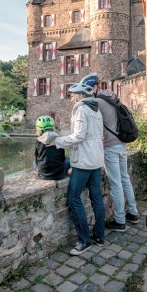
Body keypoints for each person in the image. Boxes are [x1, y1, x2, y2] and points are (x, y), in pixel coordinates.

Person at [49, 81, 106, 256]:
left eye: (72, 95)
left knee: (74, 197)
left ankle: (84, 240)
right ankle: (99, 237)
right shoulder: (96, 109)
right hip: (96, 159)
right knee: (97, 198)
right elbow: (99, 135)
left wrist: (57, 141)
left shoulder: (81, 109)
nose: (71, 98)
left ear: (80, 95)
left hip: (84, 161)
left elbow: (78, 136)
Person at [82, 73, 139, 232]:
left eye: (88, 89)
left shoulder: (97, 102)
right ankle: (133, 213)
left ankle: (120, 221)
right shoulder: (113, 97)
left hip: (110, 147)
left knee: (115, 184)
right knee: (125, 179)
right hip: (121, 144)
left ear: (94, 88)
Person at [33, 115, 70, 180]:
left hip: (43, 175)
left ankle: (40, 172)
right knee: (68, 160)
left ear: (40, 131)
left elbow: (36, 159)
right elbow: (62, 158)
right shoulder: (59, 140)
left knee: (34, 163)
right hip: (59, 175)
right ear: (53, 128)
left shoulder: (38, 141)